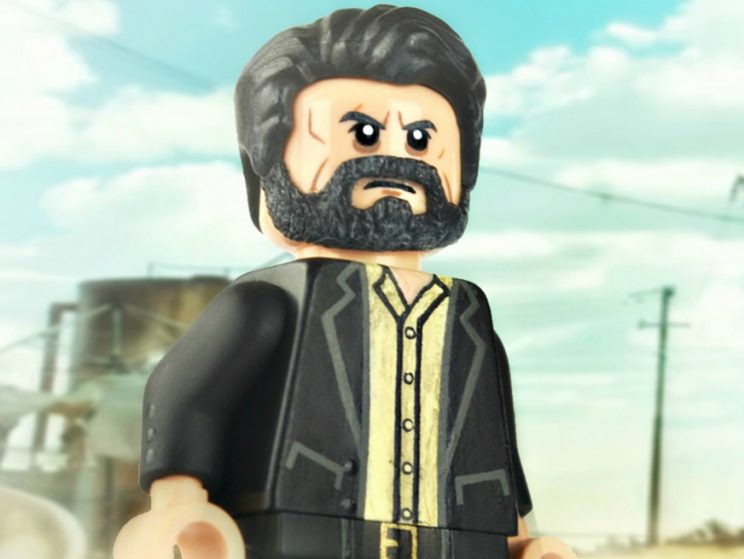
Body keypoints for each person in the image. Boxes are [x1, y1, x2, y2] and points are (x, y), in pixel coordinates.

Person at [113, 6, 576, 559]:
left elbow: (495, 442)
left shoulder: (468, 320)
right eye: (363, 134)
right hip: (306, 529)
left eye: (421, 139)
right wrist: (178, 505)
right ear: (265, 165)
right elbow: (190, 397)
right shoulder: (268, 302)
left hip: (457, 540)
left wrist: (522, 539)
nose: (395, 159)